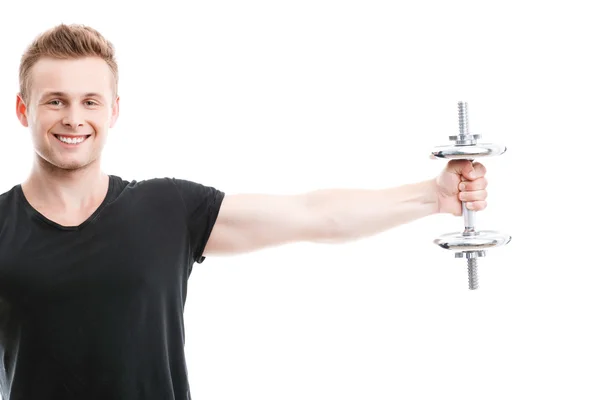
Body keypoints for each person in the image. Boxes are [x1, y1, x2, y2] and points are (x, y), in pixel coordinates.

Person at [0, 23, 488, 399]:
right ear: (24, 110)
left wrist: (433, 195)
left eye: (90, 100)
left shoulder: (165, 209)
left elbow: (313, 215)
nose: (74, 118)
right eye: (55, 101)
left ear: (114, 111)